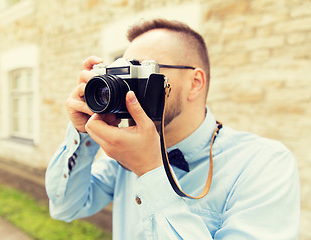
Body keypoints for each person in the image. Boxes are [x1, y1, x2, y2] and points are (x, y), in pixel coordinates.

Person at [45, 18, 300, 239]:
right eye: (123, 74)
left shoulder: (263, 164)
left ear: (195, 83)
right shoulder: (123, 160)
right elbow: (65, 207)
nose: (127, 87)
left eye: (142, 71)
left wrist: (149, 171)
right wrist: (82, 133)